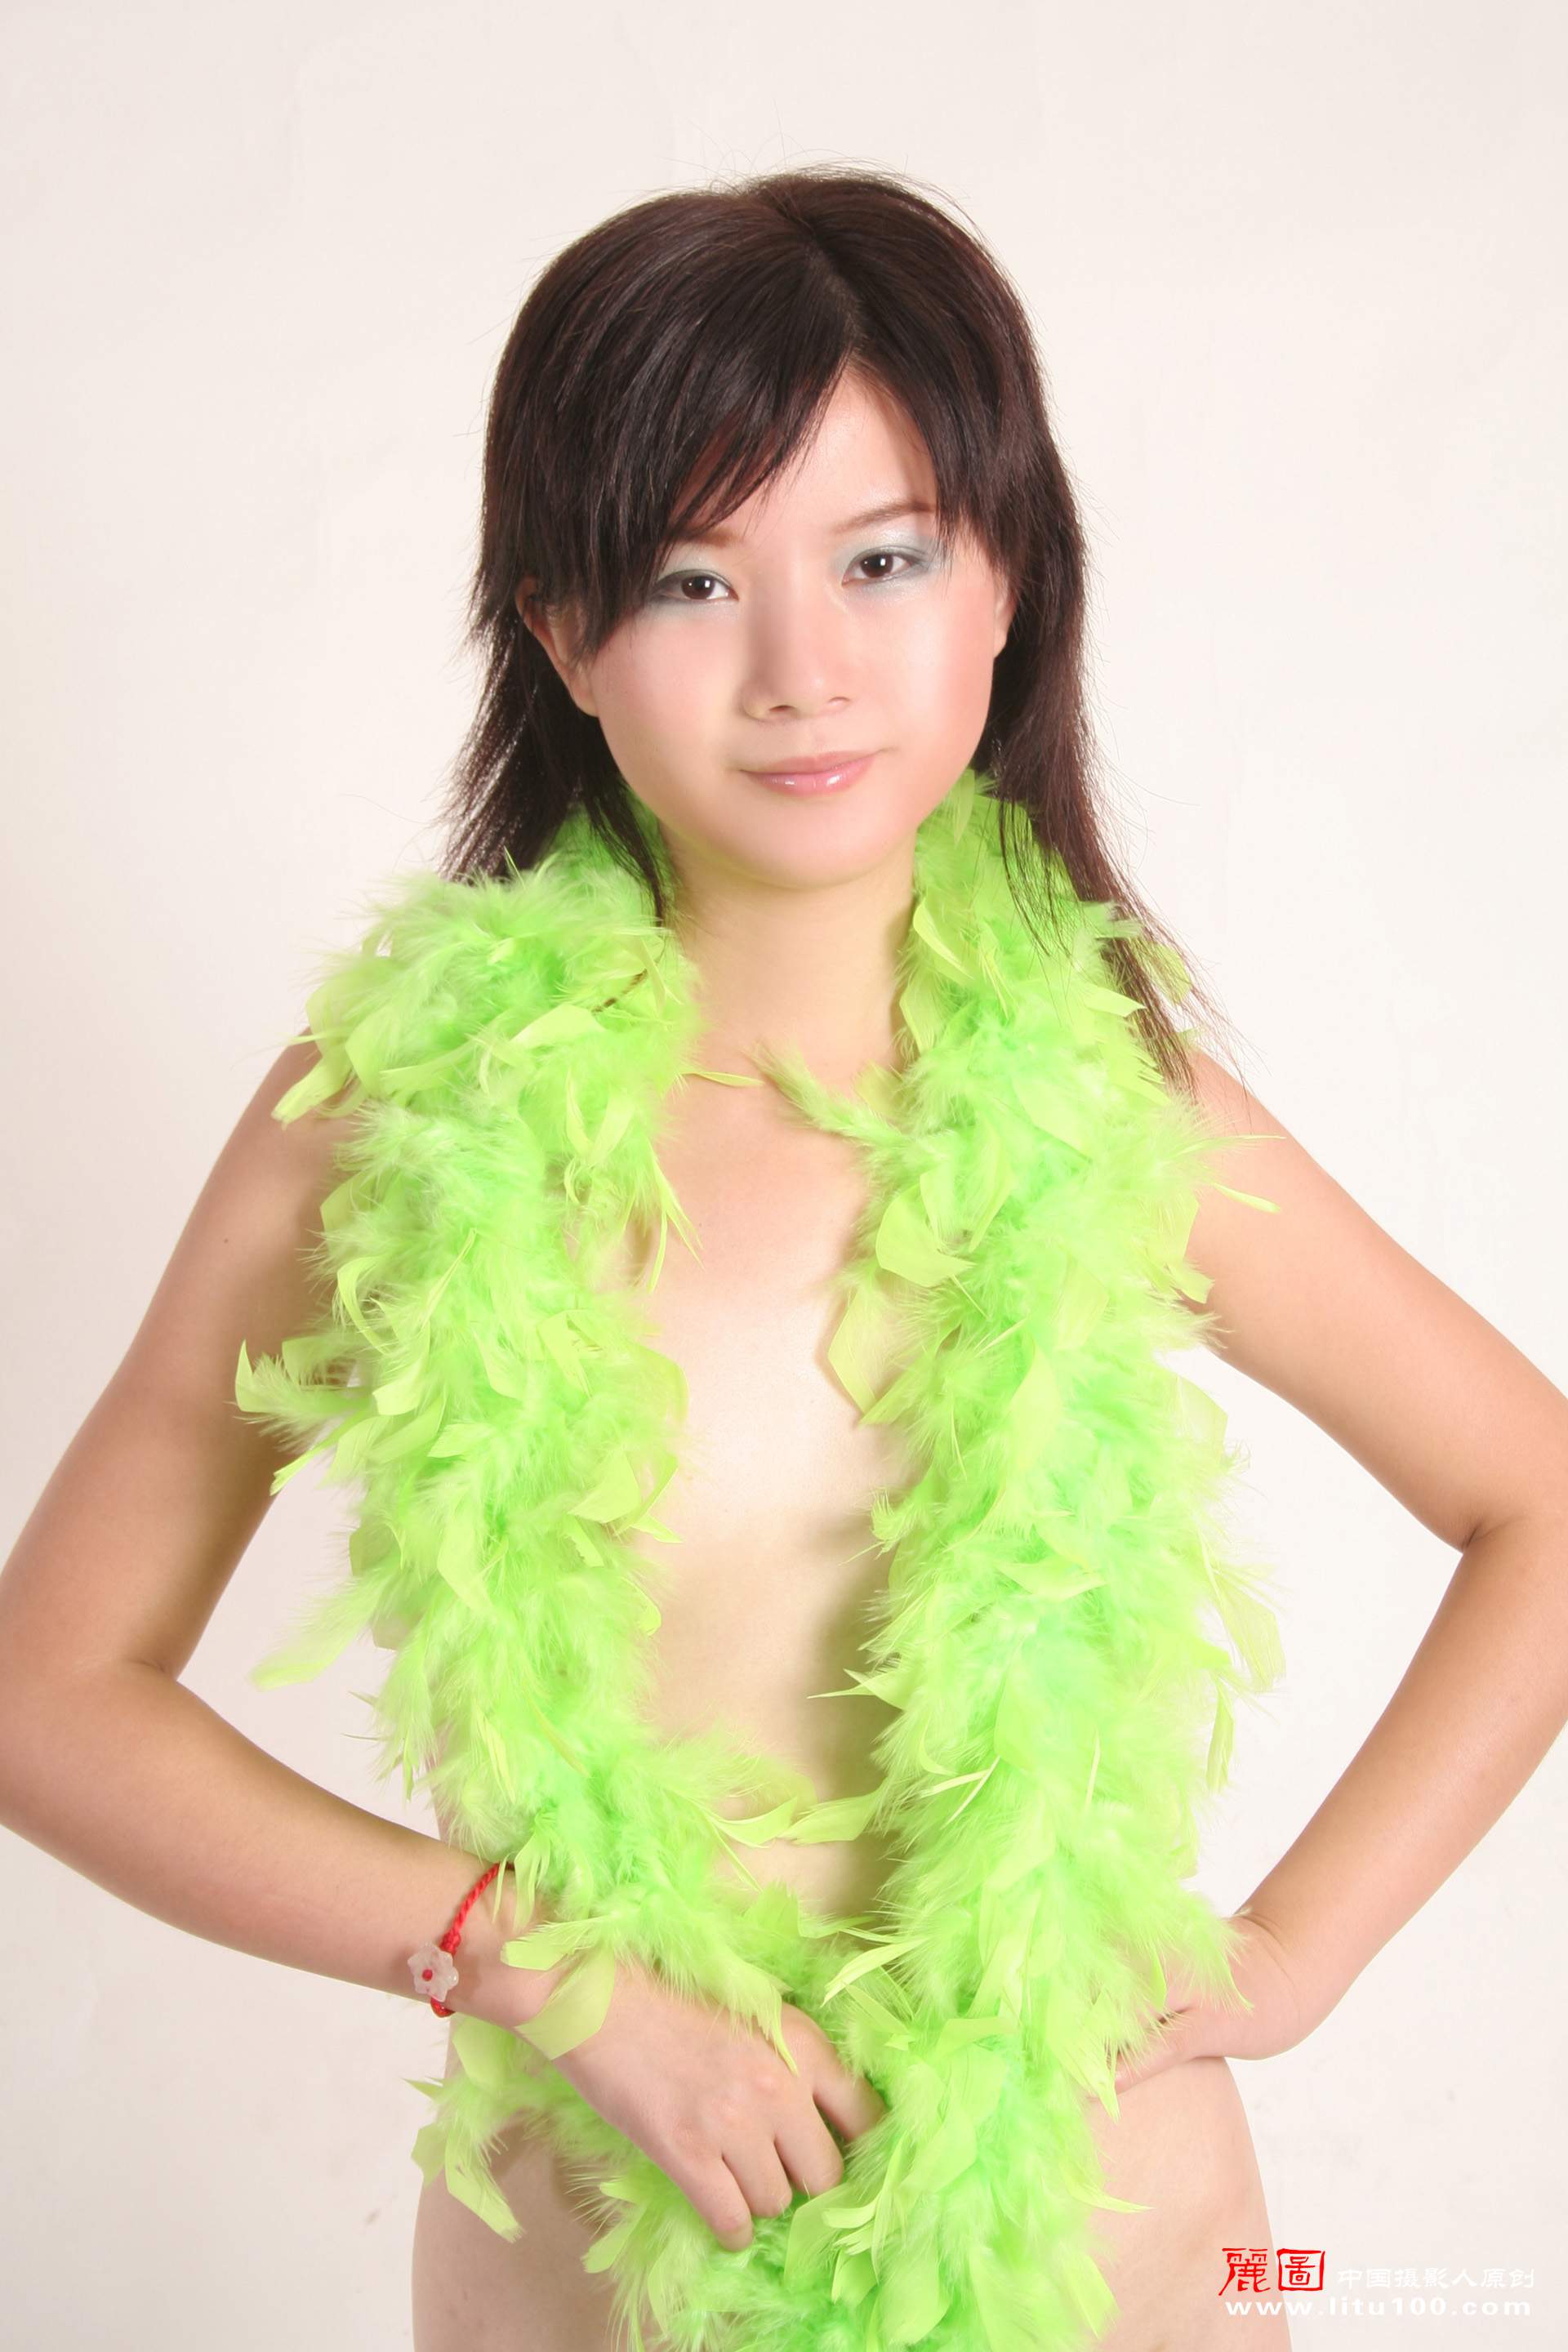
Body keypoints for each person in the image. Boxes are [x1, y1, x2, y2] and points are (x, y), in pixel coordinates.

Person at [3, 164, 1566, 2352]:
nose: (802, 670)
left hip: (1109, 2270)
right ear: (562, 631)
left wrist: (1297, 1954)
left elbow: (1539, 1503)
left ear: (1008, 581)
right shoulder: (387, 1129)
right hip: (587, 2278)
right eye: (690, 578)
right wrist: (547, 1972)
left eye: (884, 556)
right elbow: (45, 1694)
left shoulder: (1115, 1109)